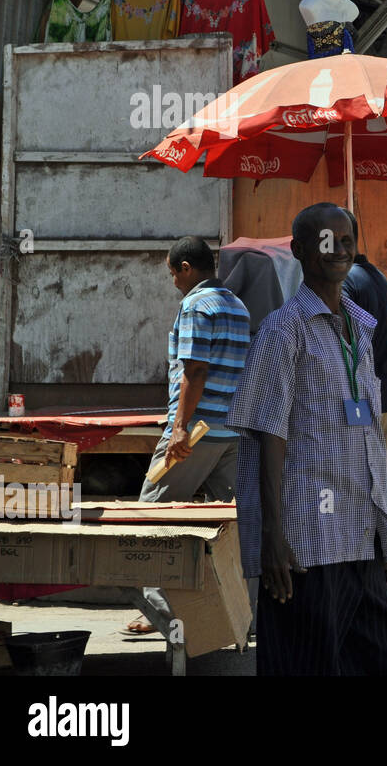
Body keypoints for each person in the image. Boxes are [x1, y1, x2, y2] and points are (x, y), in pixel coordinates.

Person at [227, 203, 387, 676]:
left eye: (346, 240)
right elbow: (268, 435)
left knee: (381, 657)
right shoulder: (282, 331)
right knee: (305, 663)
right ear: (300, 251)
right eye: (326, 241)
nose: (338, 249)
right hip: (306, 539)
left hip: (357, 529)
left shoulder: (360, 330)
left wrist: (380, 529)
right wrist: (272, 537)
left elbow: (368, 434)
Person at [127, 236, 249, 636]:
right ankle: (240, 616)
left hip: (195, 433)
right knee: (228, 530)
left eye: (172, 273)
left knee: (149, 520)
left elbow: (195, 372)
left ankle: (172, 621)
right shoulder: (237, 305)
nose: (173, 282)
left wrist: (179, 426)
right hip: (231, 432)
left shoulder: (196, 305)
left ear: (185, 268)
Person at [341, 212, 387, 449]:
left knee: (352, 482)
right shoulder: (378, 276)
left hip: (360, 402)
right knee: (372, 483)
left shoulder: (345, 281)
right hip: (385, 399)